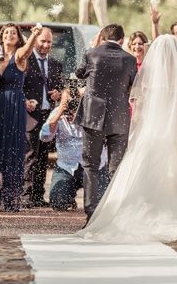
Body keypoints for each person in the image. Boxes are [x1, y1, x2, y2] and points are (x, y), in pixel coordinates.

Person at [78, 35, 177, 242]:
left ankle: (137, 214)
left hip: (149, 134)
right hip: (173, 135)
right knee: (175, 178)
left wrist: (137, 132)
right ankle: (172, 212)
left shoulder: (148, 76)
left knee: (141, 175)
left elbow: (139, 106)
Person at [75, 24, 138, 223]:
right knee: (116, 169)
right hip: (118, 119)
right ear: (122, 39)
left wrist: (93, 46)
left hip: (93, 117)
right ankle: (114, 215)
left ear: (102, 36)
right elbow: (133, 85)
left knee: (91, 166)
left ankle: (92, 214)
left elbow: (78, 73)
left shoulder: (92, 54)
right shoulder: (129, 59)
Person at [0, 23, 42, 211]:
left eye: (13, 33)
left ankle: (10, 196)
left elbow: (27, 50)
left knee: (12, 148)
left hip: (14, 105)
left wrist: (34, 35)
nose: (9, 35)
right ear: (1, 36)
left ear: (18, 38)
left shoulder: (20, 55)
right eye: (6, 32)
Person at [39, 86, 108, 211]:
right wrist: (58, 114)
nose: (70, 105)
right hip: (67, 167)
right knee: (58, 203)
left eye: (75, 101)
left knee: (100, 204)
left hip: (95, 167)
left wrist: (84, 114)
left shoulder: (93, 112)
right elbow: (44, 137)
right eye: (67, 102)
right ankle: (68, 196)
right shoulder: (57, 113)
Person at [22, 27, 64, 208]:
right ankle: (25, 195)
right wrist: (25, 101)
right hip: (30, 115)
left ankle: (39, 195)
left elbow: (62, 87)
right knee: (30, 155)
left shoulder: (56, 64)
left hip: (49, 116)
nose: (46, 45)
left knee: (43, 156)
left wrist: (58, 93)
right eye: (42, 41)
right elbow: (19, 86)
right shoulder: (26, 61)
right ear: (35, 40)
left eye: (49, 42)